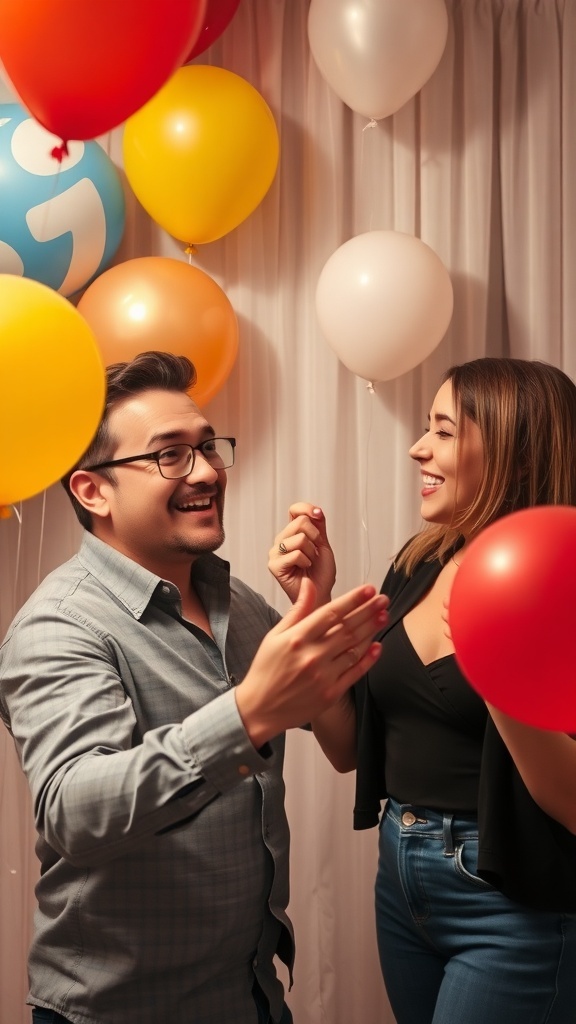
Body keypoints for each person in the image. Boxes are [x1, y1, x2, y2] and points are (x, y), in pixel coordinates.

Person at [0, 350, 389, 1024]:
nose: (208, 470)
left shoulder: (233, 600)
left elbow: (346, 747)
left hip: (251, 996)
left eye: (208, 447)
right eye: (171, 455)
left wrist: (311, 605)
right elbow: (72, 810)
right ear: (93, 490)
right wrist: (246, 714)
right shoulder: (58, 625)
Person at [270, 357, 576, 1024]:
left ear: (516, 457)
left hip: (515, 900)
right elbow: (350, 749)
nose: (417, 448)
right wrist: (313, 606)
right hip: (403, 879)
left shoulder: (564, 580)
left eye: (443, 430)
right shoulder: (418, 562)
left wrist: (498, 664)